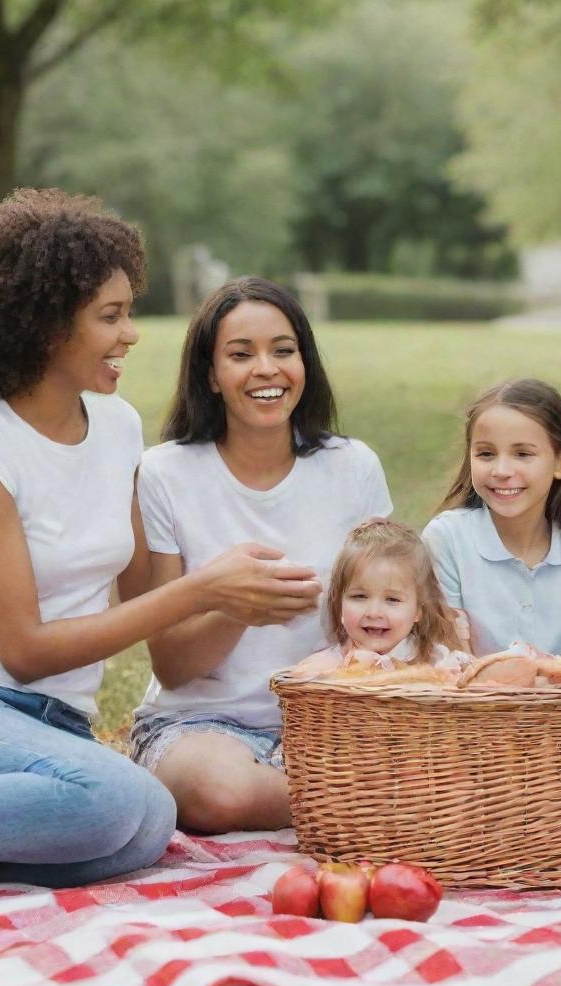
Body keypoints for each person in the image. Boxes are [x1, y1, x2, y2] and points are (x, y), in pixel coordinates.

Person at [0, 190, 320, 887]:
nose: (131, 333)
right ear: (46, 327)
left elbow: (145, 599)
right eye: (110, 316)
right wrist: (202, 588)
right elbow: (23, 652)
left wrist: (235, 601)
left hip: (55, 728)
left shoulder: (117, 427)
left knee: (138, 833)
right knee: (120, 801)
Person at [129, 277, 392, 834]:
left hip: (328, 724)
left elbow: (391, 610)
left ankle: (344, 794)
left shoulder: (354, 466)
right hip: (201, 728)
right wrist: (236, 607)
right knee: (217, 793)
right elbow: (171, 667)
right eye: (240, 354)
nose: (266, 369)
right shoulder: (165, 473)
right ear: (211, 374)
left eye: (283, 350)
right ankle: (370, 803)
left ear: (305, 362)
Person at [422, 378, 561, 658]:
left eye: (523, 454)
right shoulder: (447, 539)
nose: (502, 470)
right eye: (486, 454)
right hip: (470, 701)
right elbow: (451, 664)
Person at [287, 518, 469, 679]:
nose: (374, 613)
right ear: (340, 604)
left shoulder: (437, 662)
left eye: (392, 600)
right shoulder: (326, 668)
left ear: (418, 610)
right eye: (359, 596)